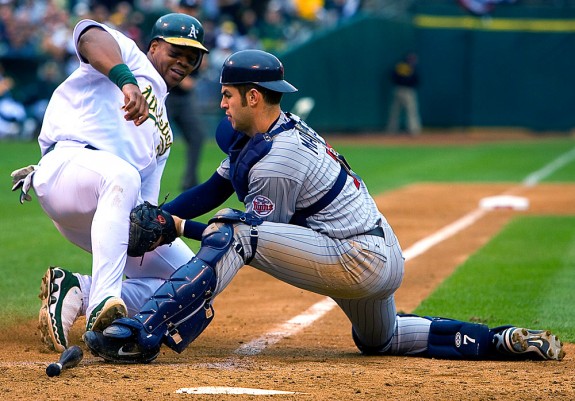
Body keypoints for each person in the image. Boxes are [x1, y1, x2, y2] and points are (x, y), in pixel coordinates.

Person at [83, 49, 564, 364]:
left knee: (237, 234)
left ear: (254, 96)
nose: (222, 104)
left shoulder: (279, 159)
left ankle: (142, 332)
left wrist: (178, 225)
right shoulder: (268, 131)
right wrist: (167, 215)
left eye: (228, 96)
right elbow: (215, 186)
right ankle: (502, 341)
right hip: (374, 248)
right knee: (381, 339)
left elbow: (247, 233)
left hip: (356, 258)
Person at [10, 13, 209, 353]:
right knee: (121, 174)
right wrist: (126, 81)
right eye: (177, 51)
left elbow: (142, 210)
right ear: (155, 46)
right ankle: (106, 303)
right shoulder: (129, 57)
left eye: (192, 58)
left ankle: (78, 292)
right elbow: (88, 35)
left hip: (108, 210)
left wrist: (154, 226)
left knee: (197, 281)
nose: (184, 62)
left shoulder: (165, 135)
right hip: (65, 169)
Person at [166, 0, 207, 190]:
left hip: (185, 97)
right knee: (151, 138)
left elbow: (201, 66)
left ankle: (190, 183)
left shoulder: (198, 32)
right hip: (165, 93)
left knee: (197, 136)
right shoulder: (169, 28)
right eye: (186, 7)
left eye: (192, 8)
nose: (190, 11)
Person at [386, 52, 422, 136]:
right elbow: (416, 80)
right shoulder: (409, 67)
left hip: (398, 89)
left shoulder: (400, 66)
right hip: (408, 91)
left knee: (395, 111)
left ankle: (391, 129)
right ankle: (413, 130)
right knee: (411, 111)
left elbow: (393, 76)